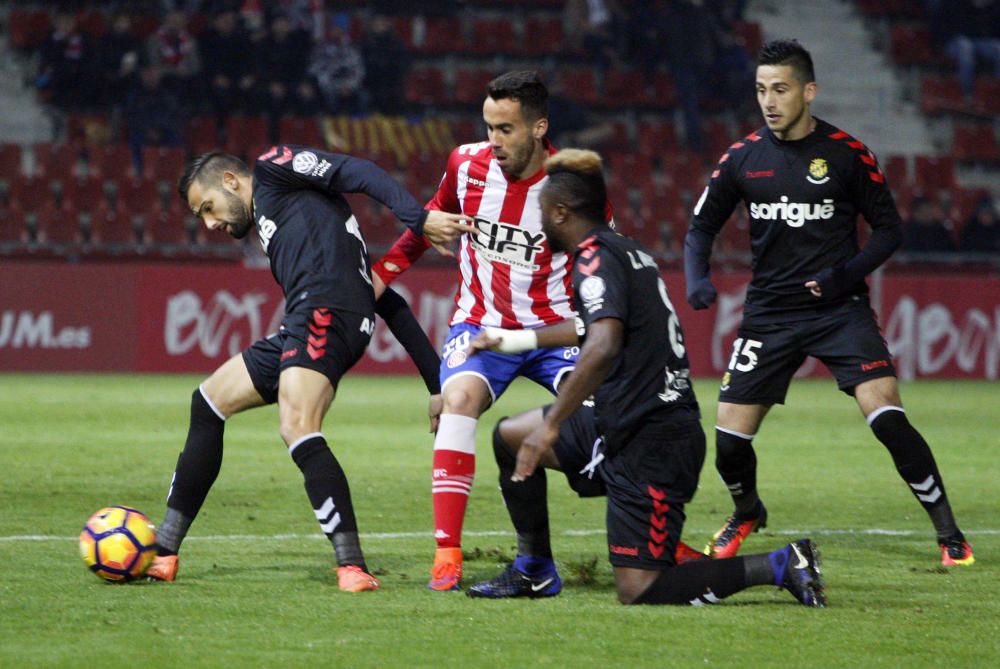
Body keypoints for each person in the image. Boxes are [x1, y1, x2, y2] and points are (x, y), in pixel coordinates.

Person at [465, 148, 825, 607]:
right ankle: (533, 570)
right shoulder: (625, 249)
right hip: (621, 421)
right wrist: (512, 341)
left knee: (639, 589)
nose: (540, 226)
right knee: (512, 436)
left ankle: (780, 564)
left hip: (654, 440)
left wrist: (552, 424)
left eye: (542, 215)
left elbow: (602, 343)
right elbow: (591, 326)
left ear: (560, 212)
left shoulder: (594, 259)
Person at [683, 39, 974, 567]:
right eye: (761, 90)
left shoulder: (846, 153)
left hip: (839, 312)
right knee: (727, 440)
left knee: (887, 417)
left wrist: (844, 276)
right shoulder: (743, 158)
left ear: (808, 91)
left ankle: (950, 533)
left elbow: (889, 230)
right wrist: (697, 279)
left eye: (780, 89)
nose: (769, 101)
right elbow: (701, 226)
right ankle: (746, 510)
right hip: (770, 314)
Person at [146, 145, 470, 591]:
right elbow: (382, 299)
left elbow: (358, 169)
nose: (210, 224)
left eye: (208, 208)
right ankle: (164, 553)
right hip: (314, 320)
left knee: (297, 424)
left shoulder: (273, 170)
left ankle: (351, 566)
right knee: (208, 402)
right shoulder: (293, 219)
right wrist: (436, 382)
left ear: (231, 182)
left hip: (322, 316)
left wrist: (418, 218)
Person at [370, 71, 608, 591]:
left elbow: (603, 259)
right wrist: (379, 276)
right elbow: (427, 225)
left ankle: (652, 538)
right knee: (457, 401)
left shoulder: (572, 185)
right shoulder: (466, 165)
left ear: (539, 128)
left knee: (601, 423)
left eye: (506, 129)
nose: (494, 139)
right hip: (481, 325)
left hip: (555, 331)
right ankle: (447, 553)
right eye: (489, 126)